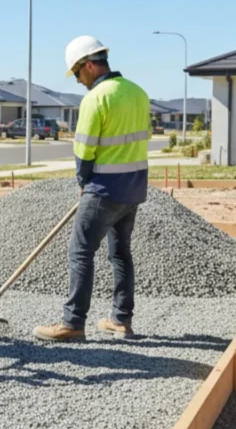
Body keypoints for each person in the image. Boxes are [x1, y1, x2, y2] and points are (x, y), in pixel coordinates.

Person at [34, 36, 151, 342]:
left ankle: (73, 323)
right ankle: (121, 320)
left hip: (104, 188)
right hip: (134, 188)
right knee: (120, 253)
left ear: (88, 65)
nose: (78, 80)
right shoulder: (138, 93)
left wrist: (83, 182)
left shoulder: (96, 98)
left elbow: (84, 150)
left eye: (77, 73)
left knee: (80, 251)